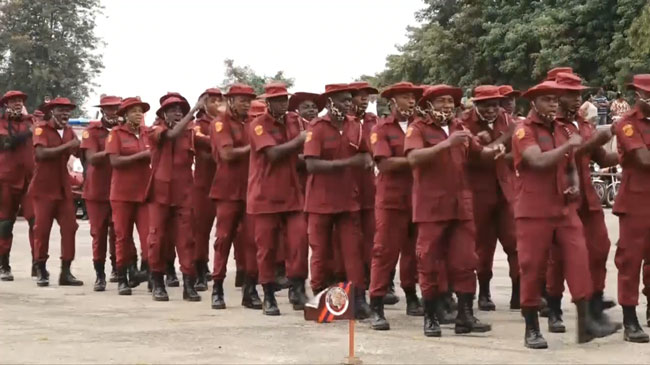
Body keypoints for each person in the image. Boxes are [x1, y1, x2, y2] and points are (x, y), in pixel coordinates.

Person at [511, 80, 618, 349]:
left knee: (580, 260)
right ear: (533, 103)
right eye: (547, 100)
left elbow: (571, 161)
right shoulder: (524, 131)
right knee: (533, 268)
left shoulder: (561, 129)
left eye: (555, 100)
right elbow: (538, 161)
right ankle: (531, 327)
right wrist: (569, 146)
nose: (553, 105)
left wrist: (572, 182)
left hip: (564, 207)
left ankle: (586, 323)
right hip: (534, 210)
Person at [405, 84, 498, 337]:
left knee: (466, 261)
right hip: (431, 206)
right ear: (429, 105)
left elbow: (480, 154)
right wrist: (446, 144)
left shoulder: (459, 127)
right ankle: (431, 317)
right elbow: (413, 158)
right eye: (441, 101)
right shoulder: (418, 128)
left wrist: (499, 147)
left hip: (461, 206)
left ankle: (465, 316)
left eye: (450, 101)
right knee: (429, 262)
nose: (447, 105)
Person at [544, 72, 619, 333]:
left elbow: (603, 157)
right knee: (559, 257)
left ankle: (595, 304)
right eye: (571, 94)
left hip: (588, 197)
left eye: (578, 94)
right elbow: (570, 153)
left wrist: (628, 152)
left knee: (599, 249)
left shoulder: (583, 124)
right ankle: (553, 308)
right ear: (557, 96)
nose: (577, 99)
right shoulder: (550, 125)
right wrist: (598, 138)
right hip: (562, 197)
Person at [303, 83, 373, 319]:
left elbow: (365, 153)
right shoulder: (317, 127)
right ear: (330, 102)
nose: (349, 104)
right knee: (321, 252)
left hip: (348, 199)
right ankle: (320, 298)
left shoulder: (356, 126)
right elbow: (311, 164)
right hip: (320, 201)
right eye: (343, 100)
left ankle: (359, 299)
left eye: (350, 100)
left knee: (353, 251)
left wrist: (361, 159)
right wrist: (347, 163)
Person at [247, 83, 309, 315]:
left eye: (285, 99)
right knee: (267, 249)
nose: (283, 103)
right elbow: (272, 154)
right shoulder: (258, 125)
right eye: (279, 100)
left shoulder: (294, 121)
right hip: (265, 196)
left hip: (292, 194)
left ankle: (297, 288)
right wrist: (300, 141)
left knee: (299, 242)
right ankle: (268, 295)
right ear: (268, 103)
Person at [367, 81, 423, 331]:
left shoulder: (420, 127)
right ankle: (376, 305)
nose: (411, 102)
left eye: (413, 97)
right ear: (392, 102)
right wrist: (417, 159)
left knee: (414, 252)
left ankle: (412, 296)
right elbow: (385, 164)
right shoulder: (381, 129)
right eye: (405, 97)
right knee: (384, 252)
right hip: (391, 199)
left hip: (419, 198)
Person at [463, 85, 519, 311]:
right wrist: (502, 141)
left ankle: (519, 292)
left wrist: (502, 155)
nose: (490, 111)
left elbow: (519, 151)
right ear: (476, 105)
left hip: (506, 189)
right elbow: (468, 156)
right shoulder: (464, 123)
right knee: (482, 247)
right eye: (485, 106)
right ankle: (484, 293)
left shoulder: (507, 119)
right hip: (478, 191)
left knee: (515, 243)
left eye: (494, 105)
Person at [209, 84, 260, 310]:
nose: (246, 104)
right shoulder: (220, 123)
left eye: (249, 100)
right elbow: (227, 154)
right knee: (223, 240)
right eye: (242, 100)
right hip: (227, 190)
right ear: (230, 100)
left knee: (252, 241)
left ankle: (250, 290)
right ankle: (217, 288)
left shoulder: (251, 123)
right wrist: (256, 147)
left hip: (250, 190)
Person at [146, 94, 201, 302]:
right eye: (173, 110)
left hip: (184, 194)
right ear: (163, 113)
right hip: (159, 195)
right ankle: (158, 283)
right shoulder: (155, 129)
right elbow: (169, 136)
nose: (177, 113)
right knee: (157, 240)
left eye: (181, 109)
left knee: (186, 240)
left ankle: (189, 284)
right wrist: (194, 109)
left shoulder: (190, 133)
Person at [611, 74, 650, 343]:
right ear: (640, 96)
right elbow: (643, 158)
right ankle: (629, 318)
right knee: (630, 261)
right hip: (636, 200)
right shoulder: (626, 124)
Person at [30, 97, 82, 287]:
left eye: (68, 111)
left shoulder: (69, 131)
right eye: (61, 110)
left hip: (63, 189)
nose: (65, 114)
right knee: (42, 230)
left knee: (70, 228)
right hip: (43, 188)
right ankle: (41, 269)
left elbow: (78, 151)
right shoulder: (41, 129)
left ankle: (66, 271)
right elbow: (41, 154)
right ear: (52, 111)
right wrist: (68, 147)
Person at [106, 97, 152, 295]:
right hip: (122, 194)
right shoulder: (116, 134)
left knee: (149, 237)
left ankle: (147, 273)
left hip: (144, 193)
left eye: (140, 111)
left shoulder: (147, 133)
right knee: (122, 237)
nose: (138, 114)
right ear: (124, 115)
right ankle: (122, 277)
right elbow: (114, 161)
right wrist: (141, 156)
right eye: (133, 111)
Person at [82, 95, 121, 291]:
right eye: (109, 109)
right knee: (98, 233)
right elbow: (92, 159)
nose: (113, 112)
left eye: (116, 108)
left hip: (119, 189)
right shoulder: (91, 131)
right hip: (96, 190)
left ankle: (117, 269)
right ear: (103, 111)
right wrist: (113, 148)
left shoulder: (124, 130)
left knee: (119, 233)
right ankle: (100, 274)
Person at [0, 91, 35, 281]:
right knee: (5, 223)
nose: (17, 103)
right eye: (13, 101)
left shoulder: (30, 121)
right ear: (6, 104)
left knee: (36, 221)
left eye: (20, 100)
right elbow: (5, 143)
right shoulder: (2, 122)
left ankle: (38, 264)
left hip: (30, 180)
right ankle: (4, 264)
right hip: (6, 179)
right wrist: (28, 132)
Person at [192, 88, 222, 292]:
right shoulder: (198, 125)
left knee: (228, 232)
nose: (218, 104)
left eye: (221, 100)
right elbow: (198, 140)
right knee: (200, 231)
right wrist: (224, 143)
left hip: (226, 184)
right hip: (204, 185)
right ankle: (200, 269)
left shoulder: (227, 124)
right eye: (213, 100)